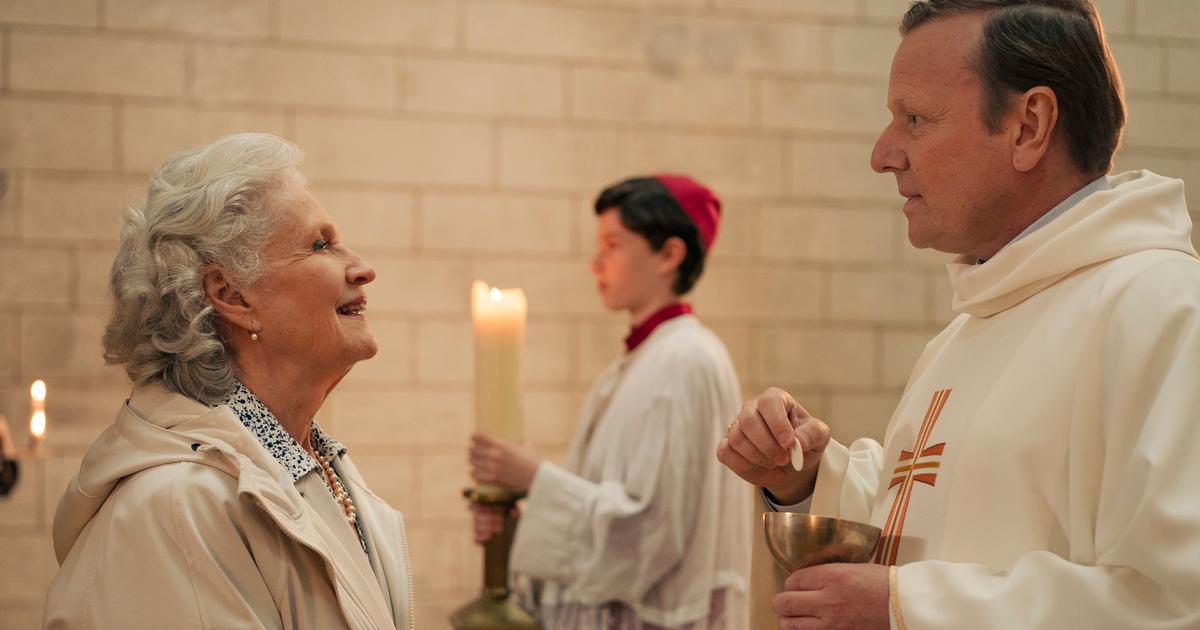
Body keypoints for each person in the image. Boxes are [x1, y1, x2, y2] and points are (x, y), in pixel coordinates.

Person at [717, 1, 1200, 628]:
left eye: (914, 118)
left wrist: (907, 609)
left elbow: (1173, 601)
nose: (883, 154)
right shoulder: (969, 327)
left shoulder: (1164, 311)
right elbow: (927, 525)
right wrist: (806, 481)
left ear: (1030, 125)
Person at [43, 133, 415, 629]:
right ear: (231, 294)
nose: (363, 269)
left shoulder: (308, 468)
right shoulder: (176, 507)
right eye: (320, 244)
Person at [468, 175, 750, 628]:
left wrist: (534, 477)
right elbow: (614, 510)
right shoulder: (638, 362)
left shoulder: (685, 360)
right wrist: (521, 520)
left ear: (669, 254)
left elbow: (653, 531)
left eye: (612, 244)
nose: (596, 262)